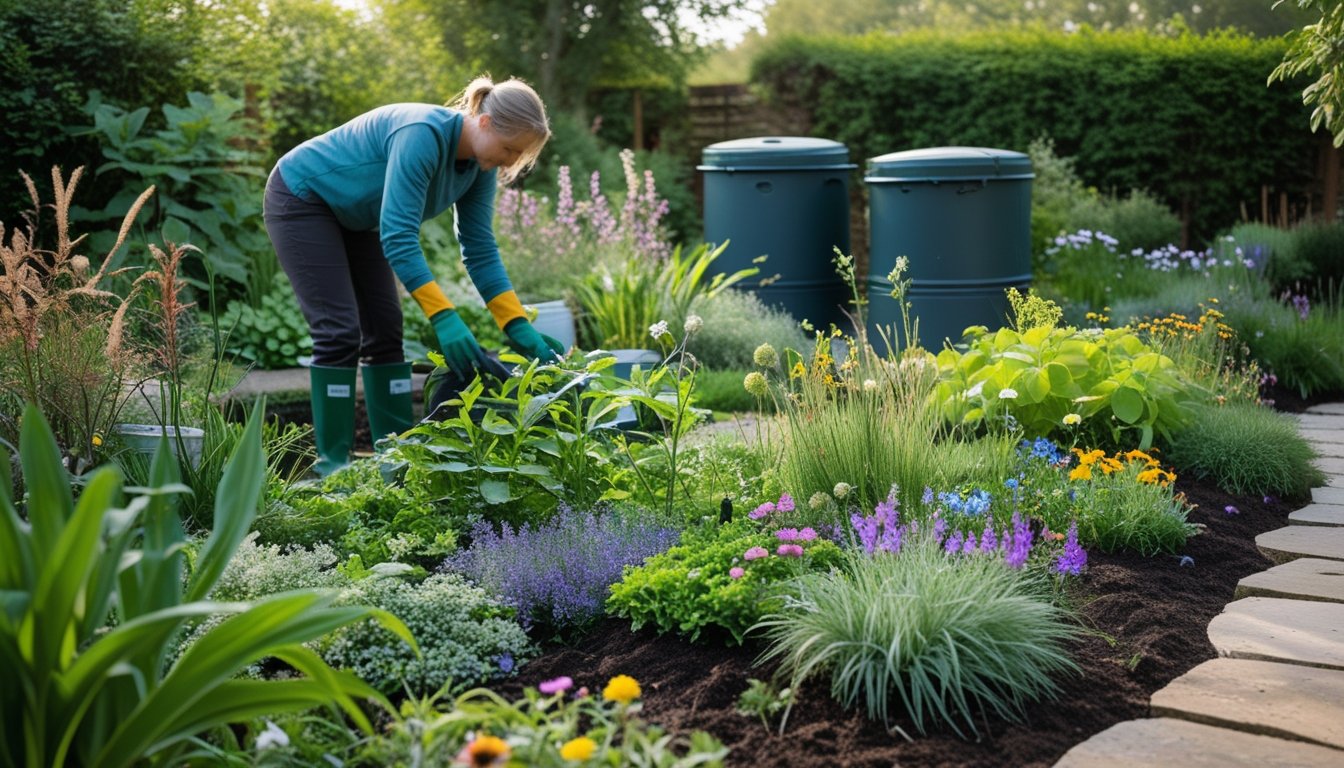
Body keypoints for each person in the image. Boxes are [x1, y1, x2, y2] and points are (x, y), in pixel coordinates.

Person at [263, 75, 565, 476]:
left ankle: (396, 461)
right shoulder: (422, 134)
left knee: (386, 333)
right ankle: (332, 466)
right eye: (510, 149)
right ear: (486, 122)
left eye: (519, 155)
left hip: (357, 217)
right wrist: (444, 316)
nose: (511, 162)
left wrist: (517, 324)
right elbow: (399, 236)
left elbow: (479, 248)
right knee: (338, 331)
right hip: (303, 196)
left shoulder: (480, 166)